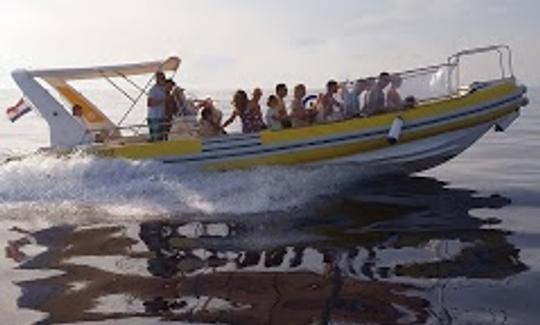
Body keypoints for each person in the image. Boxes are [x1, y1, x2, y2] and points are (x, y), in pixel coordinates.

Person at [147, 71, 168, 141]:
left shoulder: (164, 89)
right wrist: (163, 100)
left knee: (161, 136)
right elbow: (149, 103)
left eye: (164, 78)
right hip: (154, 117)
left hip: (162, 116)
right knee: (156, 136)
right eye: (161, 78)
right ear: (157, 79)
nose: (163, 79)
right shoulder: (153, 90)